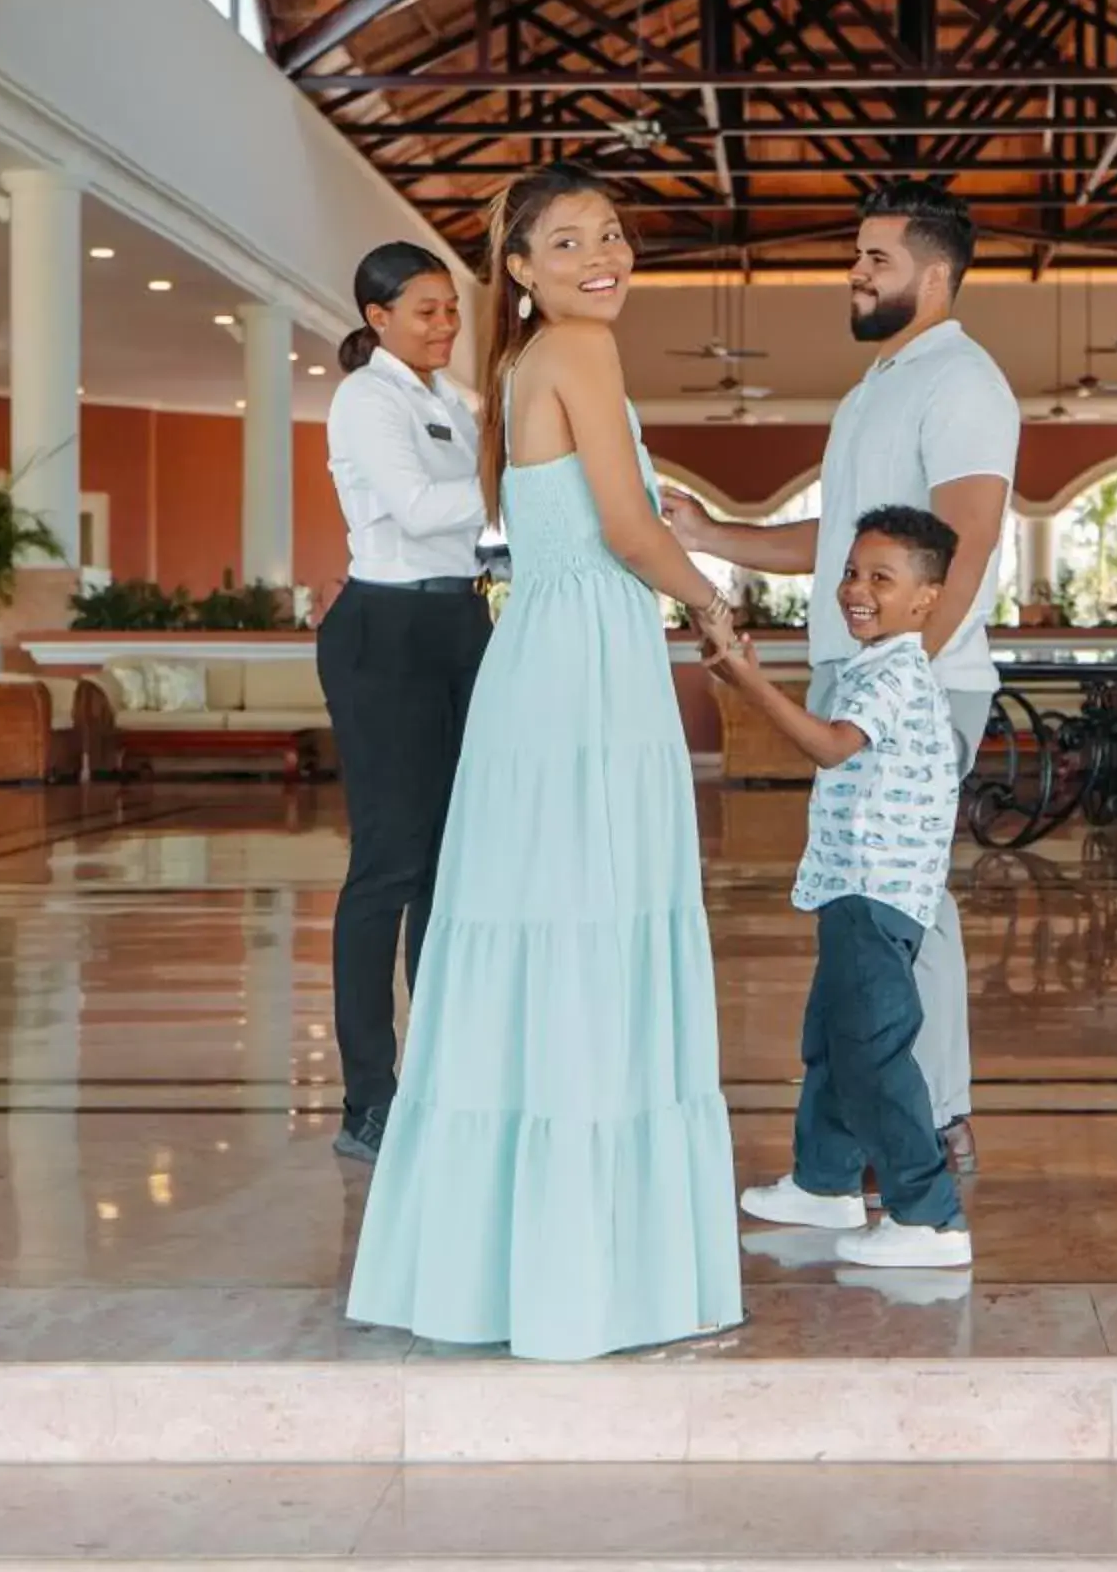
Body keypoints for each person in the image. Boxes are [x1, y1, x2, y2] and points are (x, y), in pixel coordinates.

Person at [346, 161, 746, 1361]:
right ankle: (594, 1272)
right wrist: (714, 604)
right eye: (565, 242)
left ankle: (502, 1268)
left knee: (542, 919)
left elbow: (593, 519)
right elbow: (626, 529)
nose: (599, 257)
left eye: (612, 235)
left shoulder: (520, 365)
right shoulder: (575, 351)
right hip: (589, 655)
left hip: (551, 650)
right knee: (597, 913)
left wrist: (676, 574)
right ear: (517, 269)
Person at [663, 180, 1017, 1173]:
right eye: (856, 255)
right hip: (856, 673)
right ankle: (882, 1118)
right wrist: (711, 534)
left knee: (908, 905)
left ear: (935, 273)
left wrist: (901, 680)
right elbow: (836, 546)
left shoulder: (962, 383)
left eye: (877, 258)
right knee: (871, 907)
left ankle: (937, 1118)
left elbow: (971, 535)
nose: (854, 273)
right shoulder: (877, 389)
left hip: (917, 682)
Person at [709, 506, 974, 1271]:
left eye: (881, 579)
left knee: (872, 1054)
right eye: (853, 572)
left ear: (927, 599)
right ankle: (824, 1181)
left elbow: (830, 747)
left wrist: (748, 680)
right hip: (852, 885)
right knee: (833, 1042)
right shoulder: (878, 665)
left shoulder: (893, 673)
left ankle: (928, 1216)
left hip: (876, 890)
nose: (857, 589)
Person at [317, 241, 490, 1165]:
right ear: (378, 317)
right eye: (426, 310)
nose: (444, 325)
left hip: (460, 627)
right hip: (384, 634)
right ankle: (367, 1099)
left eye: (451, 310)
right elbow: (423, 513)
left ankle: (434, 1074)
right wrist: (517, 482)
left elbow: (473, 526)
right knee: (388, 866)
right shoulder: (366, 398)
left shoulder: (447, 405)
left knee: (447, 867)